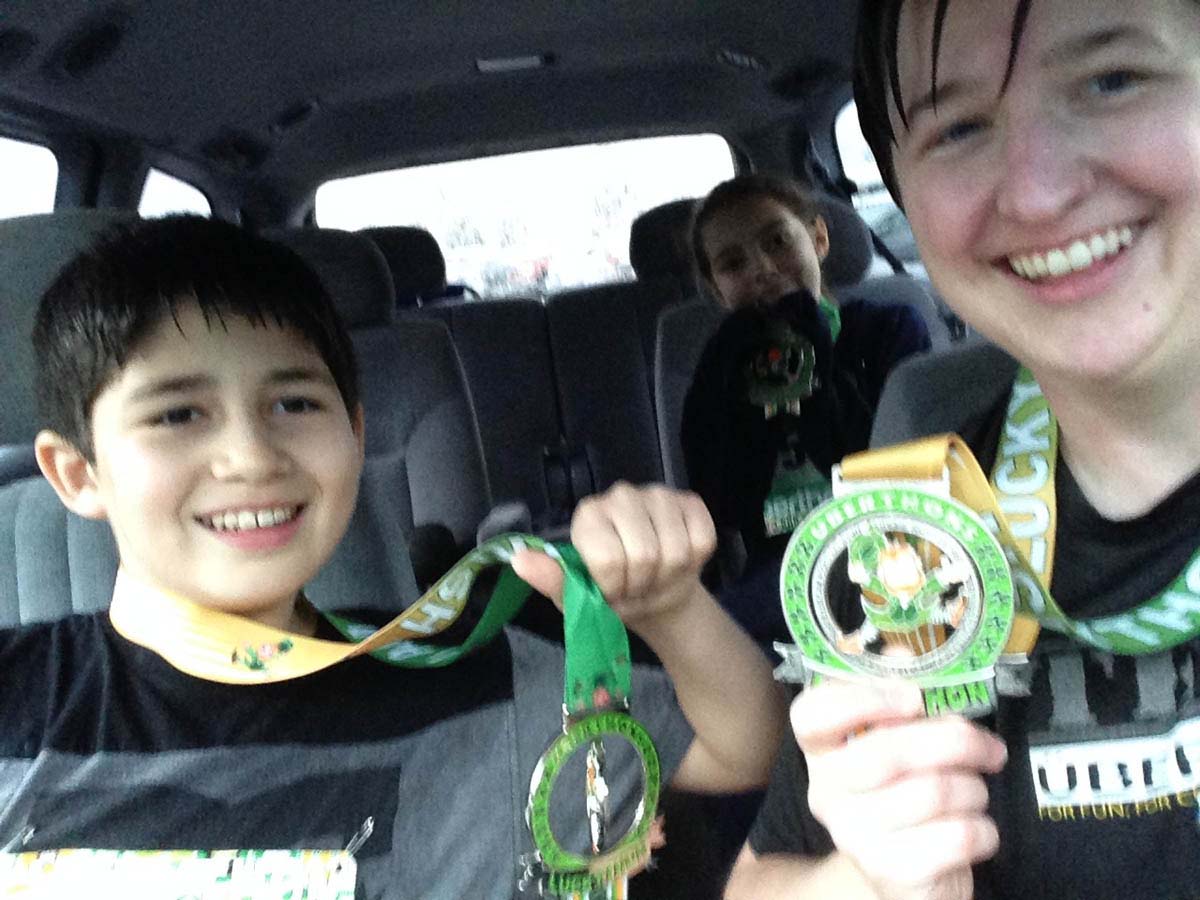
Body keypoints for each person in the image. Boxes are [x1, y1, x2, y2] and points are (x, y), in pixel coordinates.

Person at [0, 216, 786, 899]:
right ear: (78, 473)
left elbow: (739, 750)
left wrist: (671, 609)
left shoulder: (481, 676)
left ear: (356, 434)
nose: (251, 455)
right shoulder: (19, 702)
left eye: (294, 404)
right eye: (177, 415)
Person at [725, 1, 1200, 898]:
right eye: (960, 129)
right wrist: (865, 883)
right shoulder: (908, 536)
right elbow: (762, 877)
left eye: (1113, 80)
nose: (1037, 193)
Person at [681, 174, 930, 644]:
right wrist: (733, 380)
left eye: (777, 242)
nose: (761, 268)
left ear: (818, 239)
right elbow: (721, 505)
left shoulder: (888, 329)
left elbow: (898, 464)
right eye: (733, 263)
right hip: (780, 565)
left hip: (892, 544)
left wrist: (815, 355)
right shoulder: (720, 366)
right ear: (716, 288)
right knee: (710, 637)